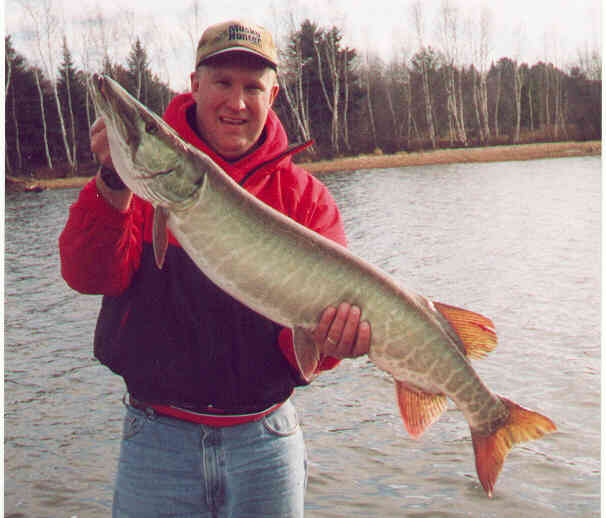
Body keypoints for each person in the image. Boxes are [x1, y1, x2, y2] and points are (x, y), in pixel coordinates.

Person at [59, 20, 371, 518]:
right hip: (155, 444)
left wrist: (335, 343)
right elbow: (89, 276)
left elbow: (311, 350)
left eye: (253, 87)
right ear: (194, 84)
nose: (237, 102)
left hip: (266, 444)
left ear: (274, 94)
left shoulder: (306, 199)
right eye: (223, 82)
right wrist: (114, 180)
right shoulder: (147, 181)